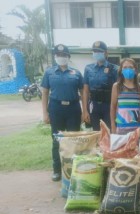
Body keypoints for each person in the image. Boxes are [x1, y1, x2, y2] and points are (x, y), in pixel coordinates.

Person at [41, 44, 83, 181]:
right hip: (56, 108)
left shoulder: (76, 73)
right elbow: (45, 93)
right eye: (59, 55)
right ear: (55, 57)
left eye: (64, 55)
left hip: (73, 109)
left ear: (68, 57)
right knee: (56, 140)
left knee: (73, 140)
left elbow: (83, 92)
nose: (61, 58)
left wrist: (84, 112)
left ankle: (73, 169)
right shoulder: (49, 72)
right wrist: (45, 113)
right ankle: (57, 170)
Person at [82, 41, 118, 130]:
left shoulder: (114, 68)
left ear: (106, 53)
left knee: (109, 133)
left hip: (109, 106)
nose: (97, 53)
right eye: (95, 51)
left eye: (99, 51)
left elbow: (118, 91)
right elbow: (85, 91)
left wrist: (117, 109)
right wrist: (85, 110)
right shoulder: (88, 68)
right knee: (96, 134)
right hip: (94, 106)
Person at [110, 58, 140, 135]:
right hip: (122, 127)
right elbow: (113, 107)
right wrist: (113, 126)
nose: (128, 69)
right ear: (121, 70)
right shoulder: (117, 87)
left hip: (139, 128)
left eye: (131, 67)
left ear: (135, 70)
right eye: (125, 67)